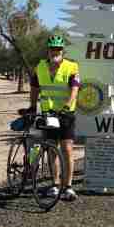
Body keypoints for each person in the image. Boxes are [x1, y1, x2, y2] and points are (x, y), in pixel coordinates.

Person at [28, 35, 81, 201]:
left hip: (65, 114)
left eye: (58, 49)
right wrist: (32, 106)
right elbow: (34, 88)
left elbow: (75, 89)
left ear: (62, 51)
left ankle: (68, 187)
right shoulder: (40, 67)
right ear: (48, 51)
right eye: (52, 49)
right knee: (52, 149)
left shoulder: (72, 67)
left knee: (67, 149)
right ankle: (55, 185)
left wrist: (67, 105)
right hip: (48, 114)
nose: (55, 52)